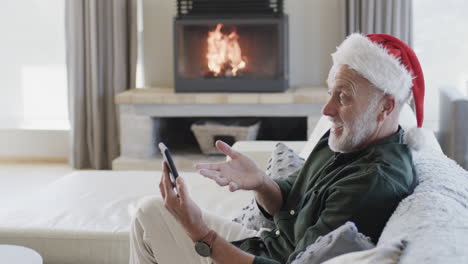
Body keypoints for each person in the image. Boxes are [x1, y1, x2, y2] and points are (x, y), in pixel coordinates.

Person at [128, 33, 425, 264]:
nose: (327, 108)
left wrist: (199, 233)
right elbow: (292, 200)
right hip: (267, 244)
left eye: (343, 97)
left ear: (385, 107)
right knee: (148, 213)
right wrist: (260, 181)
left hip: (265, 257)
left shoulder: (372, 182)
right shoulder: (349, 137)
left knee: (152, 213)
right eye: (330, 92)